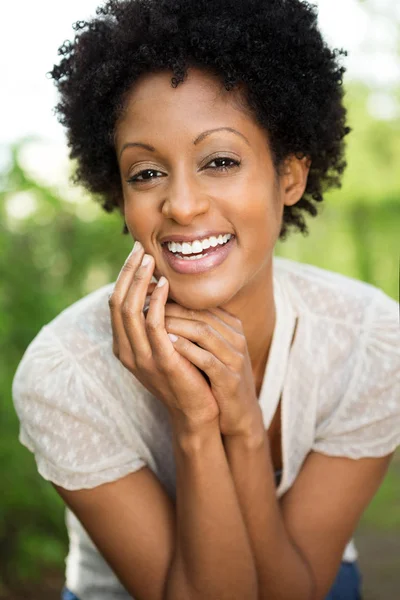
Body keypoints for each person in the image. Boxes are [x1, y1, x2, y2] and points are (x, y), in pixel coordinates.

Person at [12, 0, 399, 599]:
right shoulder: (67, 372)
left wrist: (244, 428)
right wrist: (197, 424)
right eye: (146, 173)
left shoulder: (368, 340)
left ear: (290, 176)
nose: (183, 205)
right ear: (119, 193)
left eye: (220, 161)